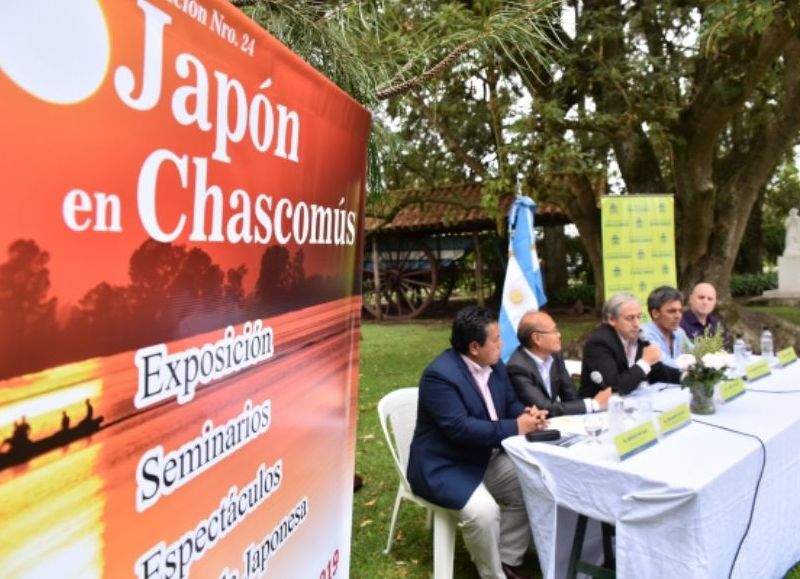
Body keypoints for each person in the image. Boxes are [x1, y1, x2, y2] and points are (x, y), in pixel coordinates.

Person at [407, 306, 547, 579]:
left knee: (534, 483)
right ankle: (492, 574)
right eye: (496, 339)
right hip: (445, 464)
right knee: (483, 513)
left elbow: (508, 403)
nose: (502, 343)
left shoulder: (494, 364)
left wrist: (525, 413)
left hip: (485, 457)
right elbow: (459, 429)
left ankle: (507, 558)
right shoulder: (440, 376)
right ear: (474, 347)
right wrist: (516, 426)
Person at [508, 310, 611, 416]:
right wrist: (593, 404)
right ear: (537, 338)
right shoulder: (517, 368)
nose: (559, 334)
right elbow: (544, 408)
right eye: (554, 331)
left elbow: (570, 395)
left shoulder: (554, 355)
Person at [579, 293, 681, 398]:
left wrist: (689, 376)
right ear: (611, 320)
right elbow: (614, 387)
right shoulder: (599, 343)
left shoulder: (638, 337)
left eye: (638, 317)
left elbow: (658, 372)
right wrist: (645, 362)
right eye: (630, 318)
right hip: (599, 409)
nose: (637, 324)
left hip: (634, 403)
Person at [641, 286, 691, 369]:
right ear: (655, 313)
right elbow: (666, 364)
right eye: (672, 311)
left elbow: (696, 353)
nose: (678, 316)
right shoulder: (644, 335)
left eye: (680, 311)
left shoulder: (679, 332)